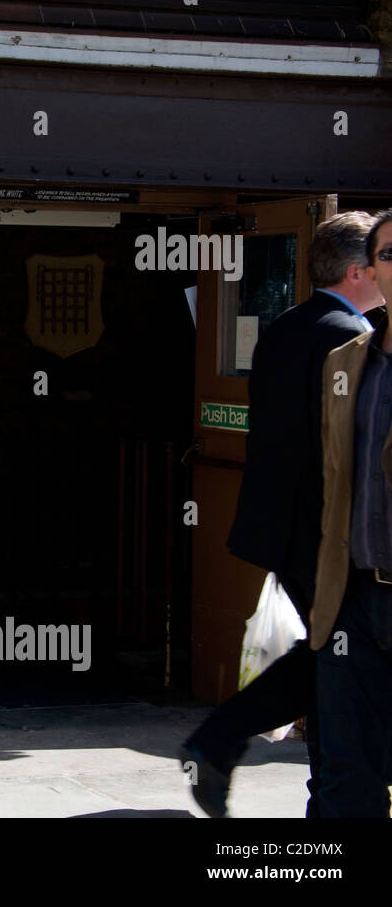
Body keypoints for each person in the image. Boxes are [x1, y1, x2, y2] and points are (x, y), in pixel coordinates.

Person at [180, 211, 385, 817]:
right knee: (339, 653)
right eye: (380, 261)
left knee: (336, 655)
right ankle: (226, 739)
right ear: (357, 271)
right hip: (329, 534)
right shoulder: (349, 338)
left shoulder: (288, 325)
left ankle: (318, 781)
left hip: (282, 524)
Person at [312, 207, 392, 817]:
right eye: (389, 254)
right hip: (352, 596)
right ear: (370, 269)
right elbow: (336, 478)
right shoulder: (347, 359)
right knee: (345, 772)